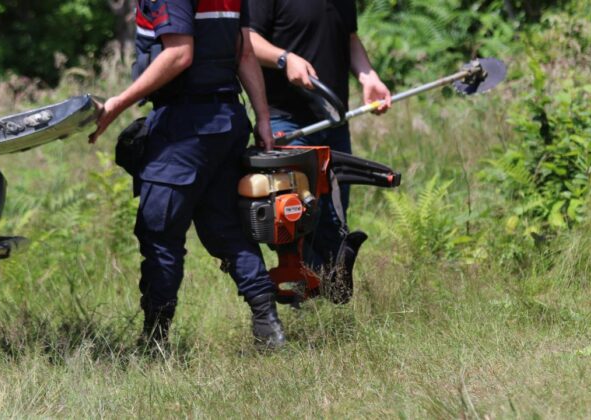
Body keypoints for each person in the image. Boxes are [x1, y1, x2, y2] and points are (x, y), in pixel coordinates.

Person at [89, 0, 285, 349]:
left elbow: (180, 54)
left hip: (184, 128)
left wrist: (116, 104)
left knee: (159, 232)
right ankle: (268, 326)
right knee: (227, 229)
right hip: (227, 120)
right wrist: (263, 119)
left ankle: (154, 341)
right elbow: (244, 52)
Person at [248, 0, 392, 274]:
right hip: (288, 120)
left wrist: (368, 76)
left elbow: (349, 38)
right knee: (297, 214)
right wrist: (284, 58)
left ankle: (326, 291)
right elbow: (247, 40)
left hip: (334, 120)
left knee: (334, 217)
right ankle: (304, 294)